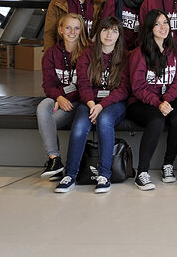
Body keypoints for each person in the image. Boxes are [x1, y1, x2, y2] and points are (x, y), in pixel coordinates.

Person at [54, 17, 130, 194]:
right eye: (105, 30)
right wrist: (91, 104)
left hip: (113, 103)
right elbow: (83, 84)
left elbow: (124, 89)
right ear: (98, 32)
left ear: (119, 35)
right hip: (88, 101)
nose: (109, 34)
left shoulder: (125, 56)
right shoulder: (87, 54)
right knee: (80, 125)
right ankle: (70, 174)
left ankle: (104, 174)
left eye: (114, 31)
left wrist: (101, 105)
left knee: (104, 121)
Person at [127, 9, 177, 191]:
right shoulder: (140, 53)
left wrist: (167, 100)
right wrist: (157, 103)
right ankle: (142, 172)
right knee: (156, 120)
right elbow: (137, 86)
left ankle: (168, 164)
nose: (163, 27)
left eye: (165, 23)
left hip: (169, 97)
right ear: (149, 28)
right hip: (142, 101)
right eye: (157, 24)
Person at [37, 12, 87, 180]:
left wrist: (67, 98)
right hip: (61, 99)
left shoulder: (88, 52)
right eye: (68, 28)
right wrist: (59, 98)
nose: (72, 32)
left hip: (79, 102)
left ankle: (56, 165)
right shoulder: (51, 54)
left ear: (81, 30)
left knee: (50, 120)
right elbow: (48, 84)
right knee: (43, 106)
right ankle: (55, 159)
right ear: (60, 30)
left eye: (76, 28)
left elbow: (88, 86)